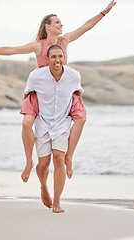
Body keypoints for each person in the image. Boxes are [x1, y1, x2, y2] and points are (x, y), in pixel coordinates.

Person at [0, 1, 117, 182]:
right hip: (41, 93)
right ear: (48, 26)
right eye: (57, 22)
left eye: (61, 22)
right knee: (26, 123)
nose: (61, 25)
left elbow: (86, 27)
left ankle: (69, 157)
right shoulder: (38, 46)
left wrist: (104, 12)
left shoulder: (64, 41)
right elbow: (12, 50)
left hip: (62, 91)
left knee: (81, 118)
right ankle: (29, 162)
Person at [25, 45, 82, 213]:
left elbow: (77, 95)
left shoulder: (73, 75)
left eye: (60, 56)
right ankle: (43, 187)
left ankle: (57, 202)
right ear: (47, 59)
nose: (57, 60)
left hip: (62, 122)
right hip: (42, 123)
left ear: (64, 58)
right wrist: (29, 118)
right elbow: (28, 95)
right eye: (54, 57)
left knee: (59, 159)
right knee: (43, 164)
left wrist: (76, 115)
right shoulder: (36, 76)